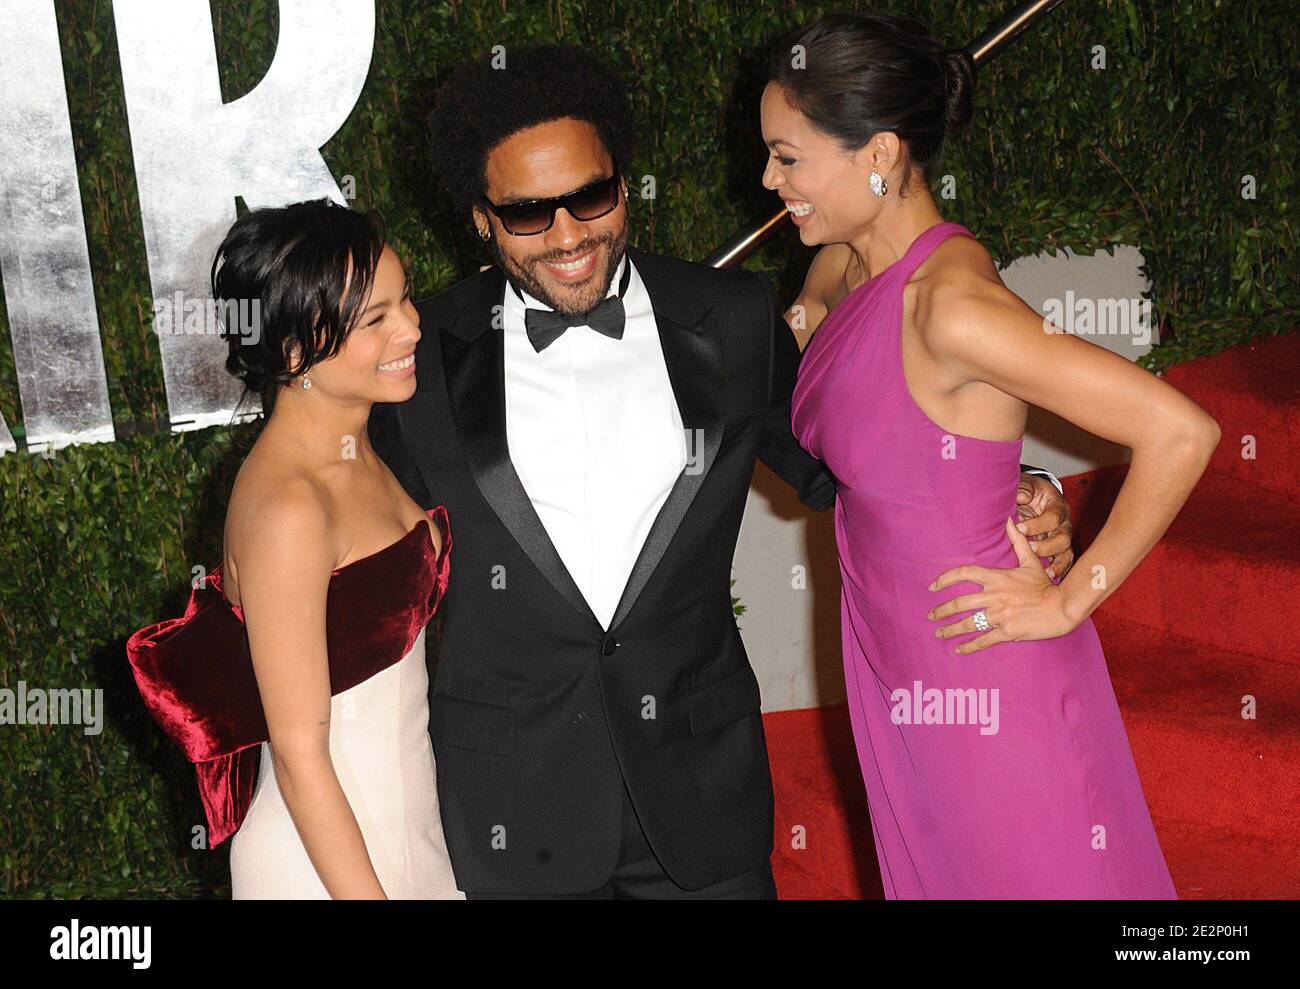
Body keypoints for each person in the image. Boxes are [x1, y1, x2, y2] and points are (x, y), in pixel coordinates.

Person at [366, 43, 1074, 899]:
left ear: (623, 185)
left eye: (590, 197)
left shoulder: (731, 321)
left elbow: (854, 468)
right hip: (516, 807)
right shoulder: (417, 362)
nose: (567, 237)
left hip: (699, 795)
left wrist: (1022, 484)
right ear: (480, 218)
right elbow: (343, 516)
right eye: (527, 214)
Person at [767, 12, 1218, 897]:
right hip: (889, 654)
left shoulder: (954, 307)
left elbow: (1180, 431)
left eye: (788, 156)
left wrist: (1068, 600)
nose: (770, 179)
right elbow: (901, 435)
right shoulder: (839, 269)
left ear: (881, 153)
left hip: (981, 666)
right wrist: (1024, 484)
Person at [127, 199, 463, 899]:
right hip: (324, 869)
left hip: (403, 840)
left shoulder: (357, 450)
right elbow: (303, 755)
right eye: (375, 319)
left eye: (404, 301)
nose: (411, 327)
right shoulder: (288, 507)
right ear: (291, 351)